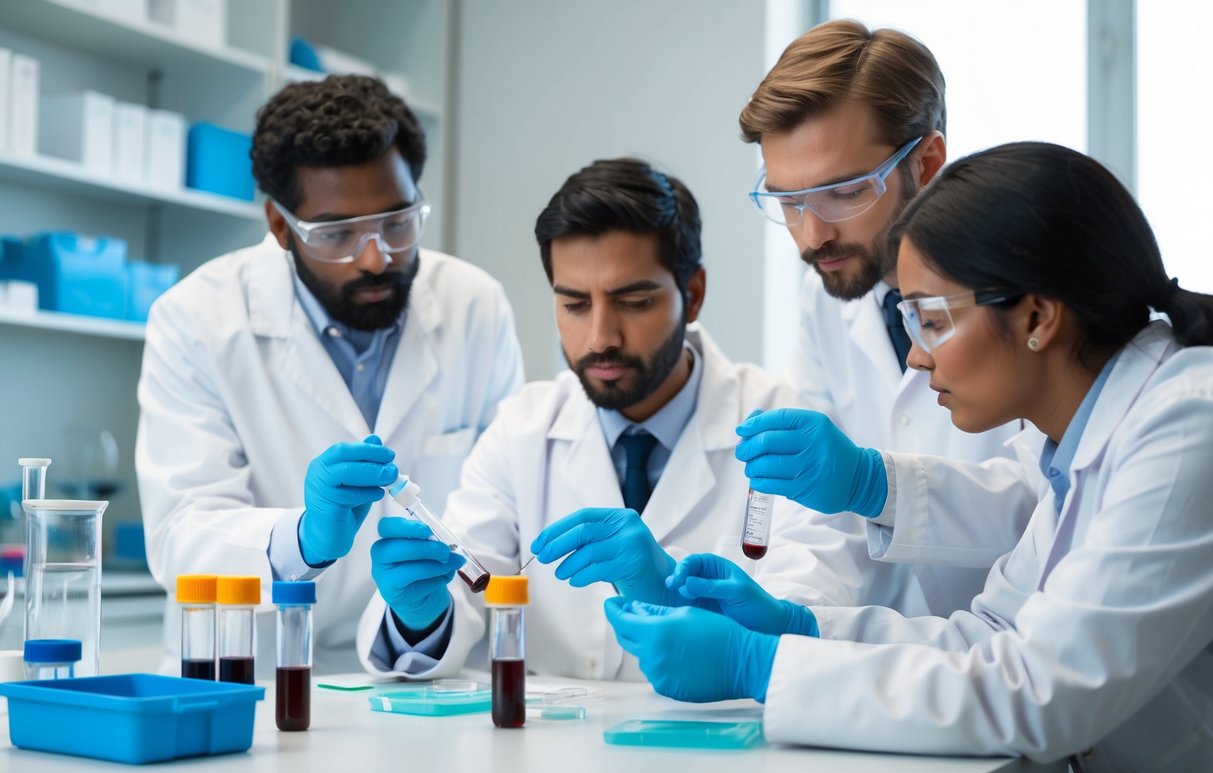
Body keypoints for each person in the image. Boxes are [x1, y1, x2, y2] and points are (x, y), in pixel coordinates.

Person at [604, 142, 1213, 773]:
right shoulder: (1075, 445)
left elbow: (1038, 692)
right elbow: (988, 637)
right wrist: (799, 628)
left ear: (1038, 318)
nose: (917, 357)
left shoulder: (1187, 423)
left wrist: (760, 666)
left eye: (931, 320)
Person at [355, 158, 810, 679]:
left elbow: (810, 618)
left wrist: (672, 583)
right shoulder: (521, 430)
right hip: (559, 754)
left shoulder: (782, 430)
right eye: (574, 304)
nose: (600, 338)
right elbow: (468, 581)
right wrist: (421, 612)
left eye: (634, 302)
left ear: (694, 293)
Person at [136, 75, 524, 674]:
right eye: (338, 234)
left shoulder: (477, 306)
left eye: (397, 222)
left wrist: (422, 614)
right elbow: (180, 539)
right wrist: (304, 539)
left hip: (427, 670)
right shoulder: (197, 320)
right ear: (280, 225)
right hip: (253, 675)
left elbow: (503, 506)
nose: (376, 258)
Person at [738, 19, 1041, 615]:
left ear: (926, 163)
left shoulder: (1027, 289)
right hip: (899, 663)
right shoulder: (823, 298)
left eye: (845, 192)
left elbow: (1053, 503)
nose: (813, 235)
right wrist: (786, 620)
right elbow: (820, 520)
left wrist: (876, 483)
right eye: (789, 201)